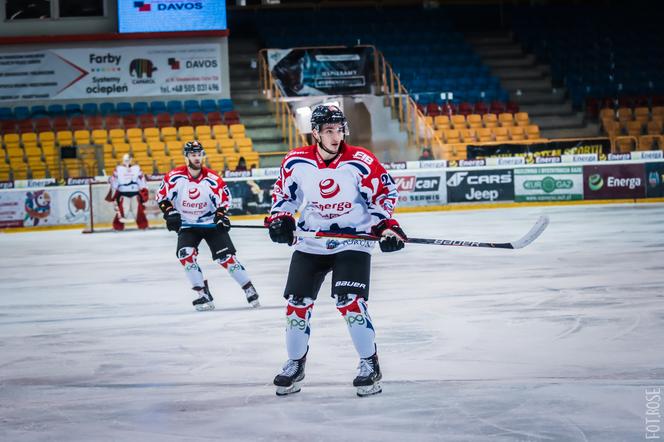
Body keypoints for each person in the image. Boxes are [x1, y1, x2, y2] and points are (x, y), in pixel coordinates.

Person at [264, 104, 406, 397]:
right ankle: (295, 363)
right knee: (296, 303)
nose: (336, 135)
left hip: (353, 240)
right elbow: (284, 196)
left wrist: (386, 227)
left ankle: (370, 363)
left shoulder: (361, 161)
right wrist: (280, 219)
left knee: (349, 301)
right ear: (315, 132)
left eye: (339, 129)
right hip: (312, 240)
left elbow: (383, 194)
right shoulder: (295, 162)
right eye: (328, 130)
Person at [156, 141, 260, 311]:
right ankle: (202, 294)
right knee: (185, 255)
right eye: (193, 155)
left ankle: (248, 288)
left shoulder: (213, 179)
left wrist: (220, 216)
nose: (196, 158)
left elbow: (224, 200)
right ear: (186, 156)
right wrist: (169, 212)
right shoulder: (174, 177)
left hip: (210, 224)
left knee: (227, 258)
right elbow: (162, 197)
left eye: (199, 154)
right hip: (187, 225)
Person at [106, 153, 149, 231]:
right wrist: (113, 190)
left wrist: (144, 189)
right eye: (126, 160)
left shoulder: (136, 169)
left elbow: (141, 179)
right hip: (123, 193)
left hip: (135, 193)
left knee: (138, 210)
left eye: (128, 160)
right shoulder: (118, 169)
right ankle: (117, 226)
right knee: (123, 211)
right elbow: (114, 180)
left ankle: (143, 225)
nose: (127, 162)